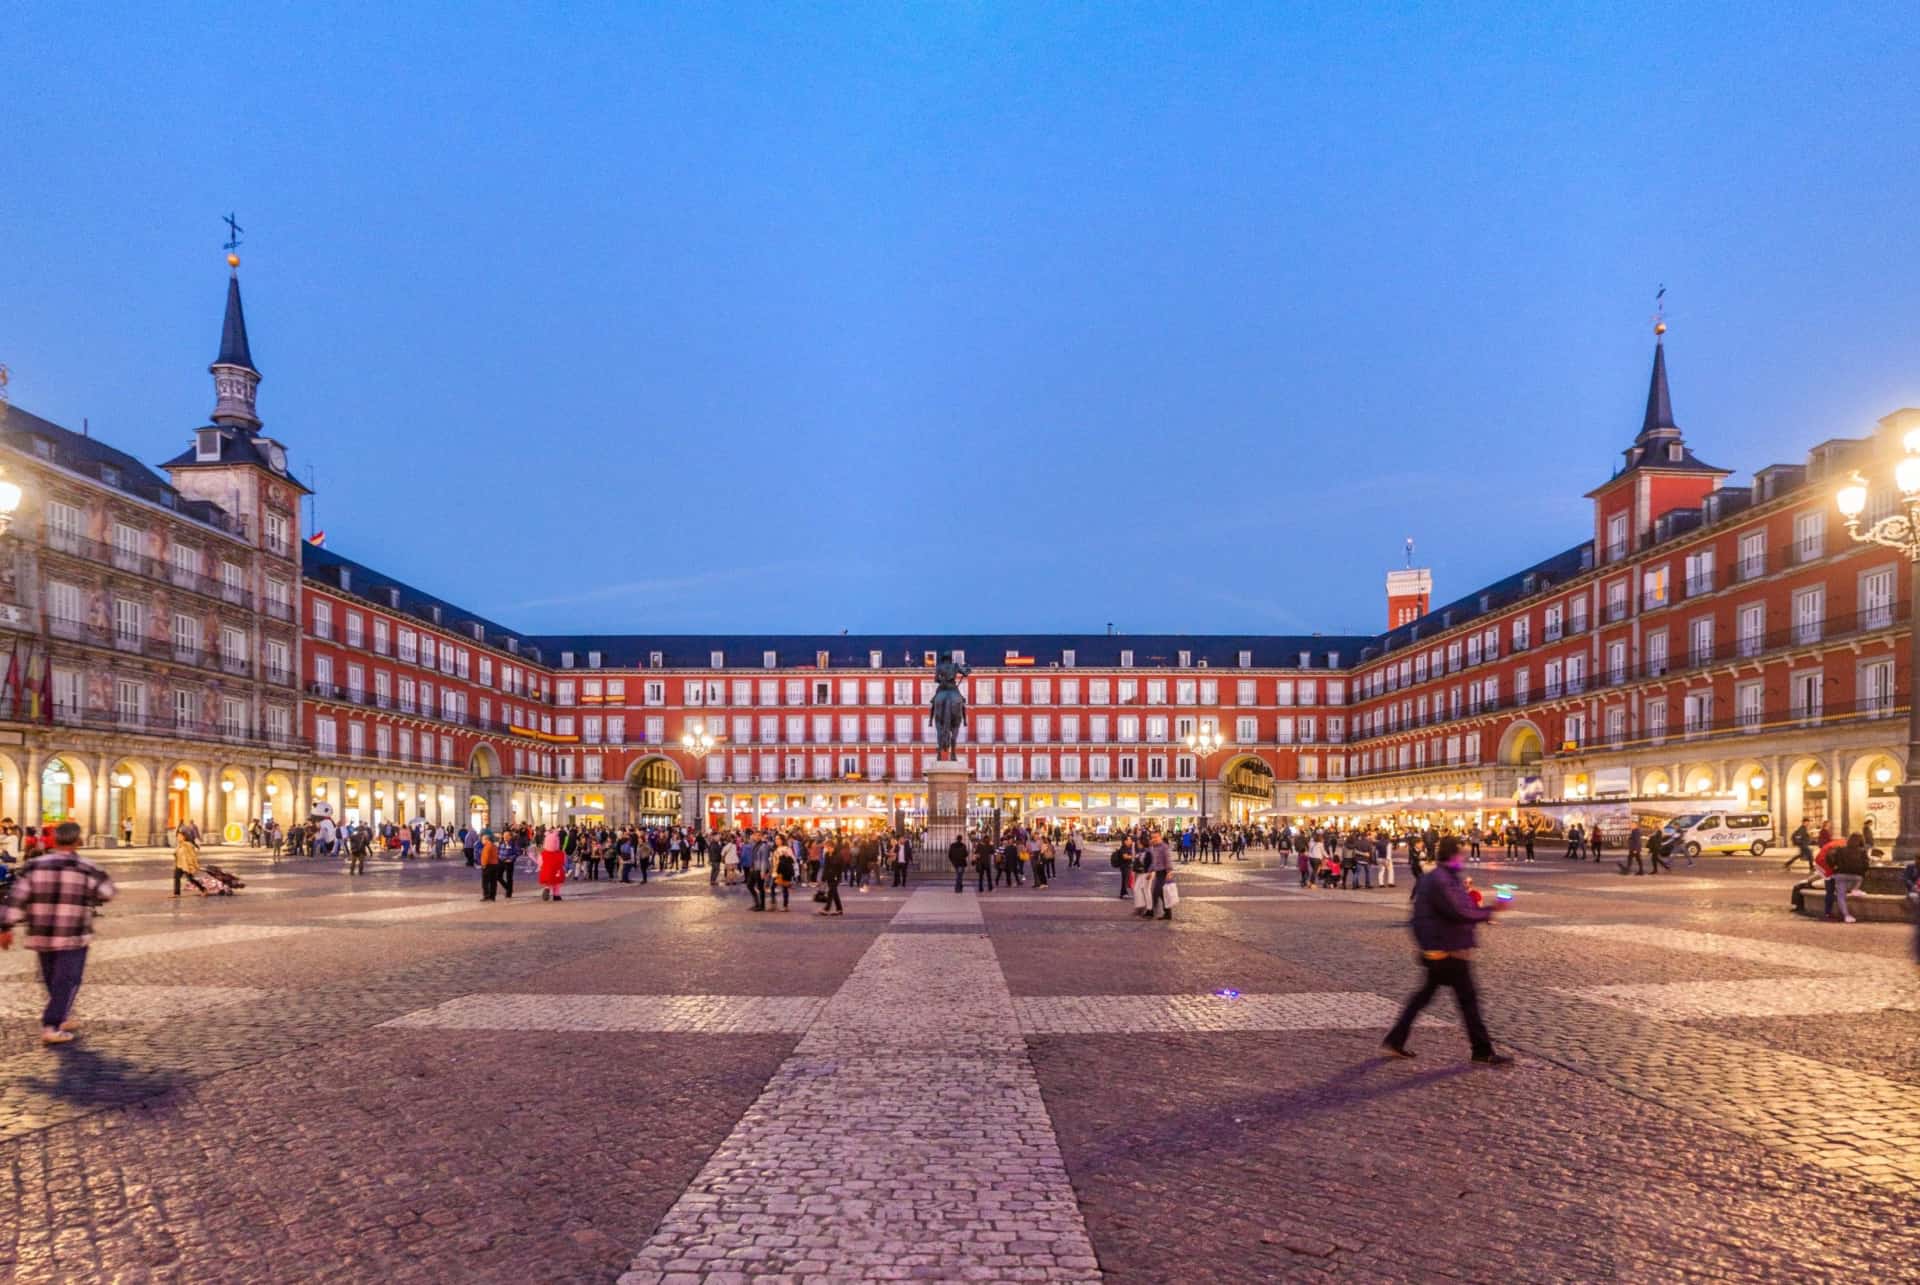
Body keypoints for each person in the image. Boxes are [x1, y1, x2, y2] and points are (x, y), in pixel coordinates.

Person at [1381, 836, 1512, 1065]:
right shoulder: (1442, 880)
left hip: (1438, 948)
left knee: (1424, 997)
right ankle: (1482, 1051)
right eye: (1461, 854)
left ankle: (1395, 1039)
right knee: (1468, 1001)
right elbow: (1458, 911)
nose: (1463, 858)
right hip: (1448, 950)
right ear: (1453, 855)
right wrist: (1492, 910)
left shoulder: (1436, 877)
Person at [1, 821, 116, 1045]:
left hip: (42, 933)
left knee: (52, 977)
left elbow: (17, 898)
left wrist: (6, 927)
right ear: (78, 841)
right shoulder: (86, 867)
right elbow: (107, 892)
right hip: (72, 934)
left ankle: (61, 1015)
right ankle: (52, 1025)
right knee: (68, 980)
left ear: (54, 840)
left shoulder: (35, 866)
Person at [1830, 833, 1870, 924]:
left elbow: (1830, 857)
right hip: (1856, 876)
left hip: (1840, 875)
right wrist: (1862, 871)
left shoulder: (1840, 849)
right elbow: (1866, 865)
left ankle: (1846, 915)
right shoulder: (1862, 851)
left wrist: (1833, 867)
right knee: (1859, 879)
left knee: (1841, 896)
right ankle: (1855, 889)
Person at [173, 826, 212, 897]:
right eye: (177, 836)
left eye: (180, 836)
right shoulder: (179, 846)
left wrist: (194, 865)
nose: (178, 838)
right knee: (176, 877)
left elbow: (193, 856)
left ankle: (203, 889)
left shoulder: (188, 845)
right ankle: (177, 893)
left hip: (186, 866)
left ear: (184, 837)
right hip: (179, 865)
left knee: (191, 879)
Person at [818, 841, 846, 916]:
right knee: (834, 893)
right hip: (829, 876)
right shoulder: (827, 854)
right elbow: (826, 867)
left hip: (836, 877)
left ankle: (826, 909)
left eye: (827, 847)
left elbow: (841, 866)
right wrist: (823, 877)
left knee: (830, 892)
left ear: (832, 847)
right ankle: (839, 909)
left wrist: (837, 875)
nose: (826, 849)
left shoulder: (838, 855)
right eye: (826, 848)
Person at [538, 829, 566, 902]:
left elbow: (540, 862)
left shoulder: (543, 853)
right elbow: (563, 861)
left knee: (548, 881)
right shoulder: (560, 853)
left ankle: (547, 888)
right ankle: (556, 895)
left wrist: (541, 867)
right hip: (557, 871)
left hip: (547, 870)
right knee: (557, 883)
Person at [478, 831, 501, 901]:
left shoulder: (487, 846)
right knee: (493, 881)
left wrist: (484, 865)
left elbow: (486, 856)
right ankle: (492, 896)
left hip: (488, 866)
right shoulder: (494, 846)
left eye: (482, 839)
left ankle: (486, 895)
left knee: (485, 882)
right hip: (495, 865)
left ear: (486, 839)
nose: (481, 841)